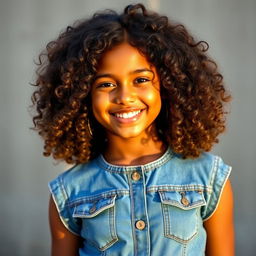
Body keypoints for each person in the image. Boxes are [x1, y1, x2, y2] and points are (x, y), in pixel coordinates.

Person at [31, 3, 234, 256]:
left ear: (170, 84)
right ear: (81, 95)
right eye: (106, 84)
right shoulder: (69, 192)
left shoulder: (208, 178)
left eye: (140, 80)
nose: (125, 97)